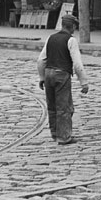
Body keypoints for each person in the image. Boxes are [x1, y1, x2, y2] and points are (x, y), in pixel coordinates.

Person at [36, 14, 89, 145]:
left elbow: (41, 60)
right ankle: (64, 136)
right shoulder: (71, 40)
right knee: (64, 107)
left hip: (48, 73)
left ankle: (54, 133)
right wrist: (84, 82)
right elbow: (77, 64)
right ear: (73, 27)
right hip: (62, 74)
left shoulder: (50, 38)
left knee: (52, 106)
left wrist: (42, 77)